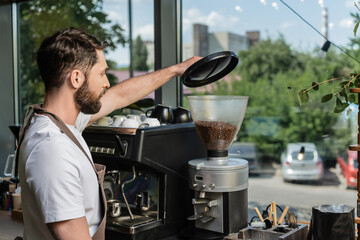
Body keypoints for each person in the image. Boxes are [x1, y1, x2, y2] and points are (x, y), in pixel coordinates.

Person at [18, 27, 201, 240]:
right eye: (102, 73)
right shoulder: (52, 149)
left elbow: (119, 96)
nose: (106, 83)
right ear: (76, 78)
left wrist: (176, 70)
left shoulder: (59, 122)